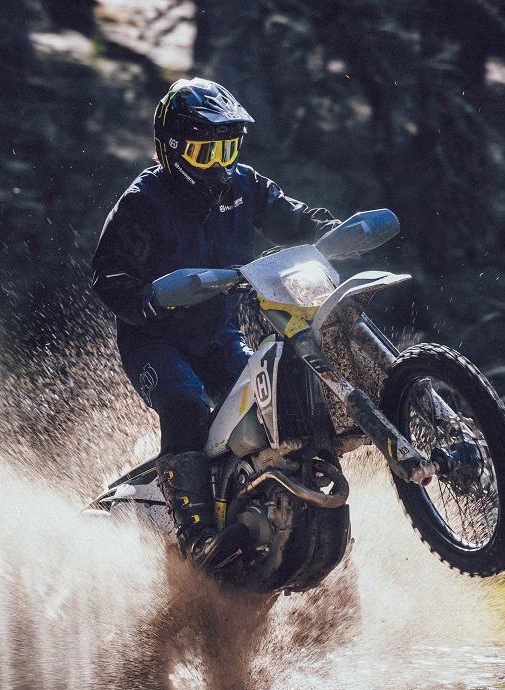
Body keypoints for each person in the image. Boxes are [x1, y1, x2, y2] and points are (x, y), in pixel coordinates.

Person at [92, 77, 339, 569]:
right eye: (206, 153)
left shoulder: (246, 185)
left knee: (272, 402)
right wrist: (145, 301)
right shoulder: (143, 201)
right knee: (186, 405)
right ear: (173, 151)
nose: (219, 164)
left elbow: (295, 218)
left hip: (218, 334)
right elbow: (107, 275)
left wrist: (330, 231)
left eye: (227, 149)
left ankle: (285, 511)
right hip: (154, 340)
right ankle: (196, 534)